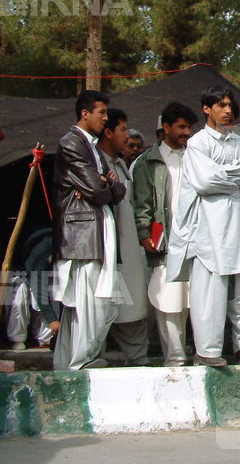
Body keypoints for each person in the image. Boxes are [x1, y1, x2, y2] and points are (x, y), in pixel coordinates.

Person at [167, 87, 240, 367]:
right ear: (207, 109)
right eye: (221, 105)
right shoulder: (197, 143)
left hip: (238, 219)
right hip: (208, 222)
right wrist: (231, 178)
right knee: (210, 287)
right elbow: (204, 182)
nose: (227, 110)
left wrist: (221, 174)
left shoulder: (237, 141)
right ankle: (208, 350)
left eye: (230, 105)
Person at [51, 90, 126, 371]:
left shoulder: (91, 145)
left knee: (95, 301)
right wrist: (104, 185)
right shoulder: (72, 143)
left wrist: (107, 186)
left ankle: (72, 360)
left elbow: (114, 189)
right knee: (87, 301)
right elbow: (97, 188)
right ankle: (81, 360)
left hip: (95, 229)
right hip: (81, 235)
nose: (105, 118)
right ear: (85, 113)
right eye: (101, 113)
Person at [132, 102, 197, 367]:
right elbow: (142, 205)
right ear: (166, 128)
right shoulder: (147, 163)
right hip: (165, 242)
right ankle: (175, 358)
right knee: (168, 300)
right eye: (181, 127)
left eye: (189, 128)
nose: (186, 133)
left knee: (193, 300)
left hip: (195, 241)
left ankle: (196, 353)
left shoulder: (195, 157)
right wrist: (144, 234)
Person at [98, 108, 150, 366]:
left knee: (133, 308)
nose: (127, 136)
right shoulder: (95, 163)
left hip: (128, 250)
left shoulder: (121, 165)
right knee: (101, 311)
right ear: (108, 132)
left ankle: (139, 360)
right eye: (123, 130)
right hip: (105, 250)